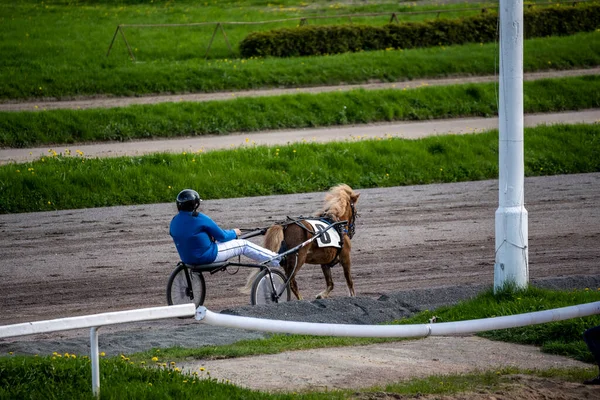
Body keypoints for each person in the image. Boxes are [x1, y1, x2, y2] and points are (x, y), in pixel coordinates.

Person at [169, 189, 280, 267]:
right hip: (207, 256)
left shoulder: (174, 221)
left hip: (187, 258)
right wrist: (234, 232)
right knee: (243, 244)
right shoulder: (200, 218)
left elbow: (186, 235)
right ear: (195, 205)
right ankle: (277, 260)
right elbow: (222, 236)